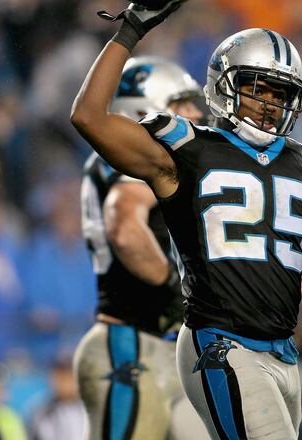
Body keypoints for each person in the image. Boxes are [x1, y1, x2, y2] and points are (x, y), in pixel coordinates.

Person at [70, 2, 302, 438]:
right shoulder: (186, 147)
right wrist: (131, 29)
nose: (269, 104)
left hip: (283, 355)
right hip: (220, 343)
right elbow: (89, 117)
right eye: (258, 89)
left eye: (280, 95)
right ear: (223, 84)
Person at [73, 55, 208, 440]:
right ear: (144, 109)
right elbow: (125, 227)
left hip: (162, 346)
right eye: (181, 103)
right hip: (133, 342)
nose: (195, 113)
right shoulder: (130, 155)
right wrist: (174, 288)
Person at [29, 358, 86, 440]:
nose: (66, 384)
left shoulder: (90, 410)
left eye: (69, 377)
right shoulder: (41, 412)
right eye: (61, 378)